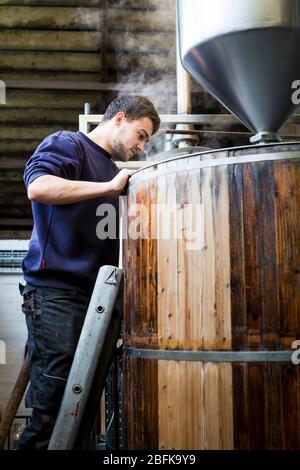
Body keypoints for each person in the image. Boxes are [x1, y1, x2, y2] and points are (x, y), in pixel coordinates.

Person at [17, 95, 160, 450]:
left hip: (96, 300)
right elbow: (38, 187)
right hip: (56, 295)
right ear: (120, 118)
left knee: (79, 416)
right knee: (52, 413)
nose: (141, 147)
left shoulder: (115, 174)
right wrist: (109, 188)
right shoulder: (68, 144)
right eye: (140, 135)